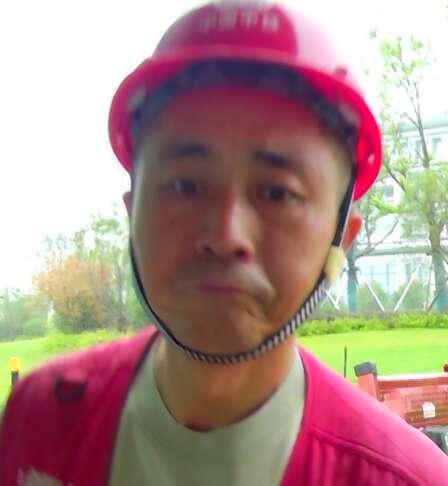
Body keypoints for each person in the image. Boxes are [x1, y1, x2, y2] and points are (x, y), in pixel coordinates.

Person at [1, 1, 448, 485]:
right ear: (133, 215)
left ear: (341, 239)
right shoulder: (40, 419)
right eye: (185, 185)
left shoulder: (404, 478)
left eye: (277, 193)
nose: (224, 235)